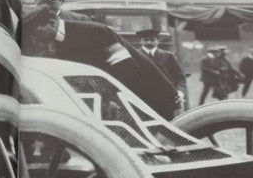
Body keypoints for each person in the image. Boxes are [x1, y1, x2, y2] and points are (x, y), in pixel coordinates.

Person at [23, 18, 178, 119]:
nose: (34, 40)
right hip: (125, 103)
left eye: (35, 34)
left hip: (151, 99)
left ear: (50, 23)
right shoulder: (59, 40)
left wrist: (112, 101)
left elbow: (128, 70)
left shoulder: (96, 32)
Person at [136, 29, 186, 111]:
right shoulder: (134, 56)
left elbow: (180, 77)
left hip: (166, 100)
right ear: (140, 41)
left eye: (152, 40)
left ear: (158, 40)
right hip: (142, 100)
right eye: (145, 40)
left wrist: (180, 92)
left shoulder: (169, 56)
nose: (148, 42)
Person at [21, 0, 89, 33]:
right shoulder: (26, 20)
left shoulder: (80, 19)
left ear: (61, 2)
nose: (46, 7)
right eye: (42, 3)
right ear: (35, 2)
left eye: (52, 3)